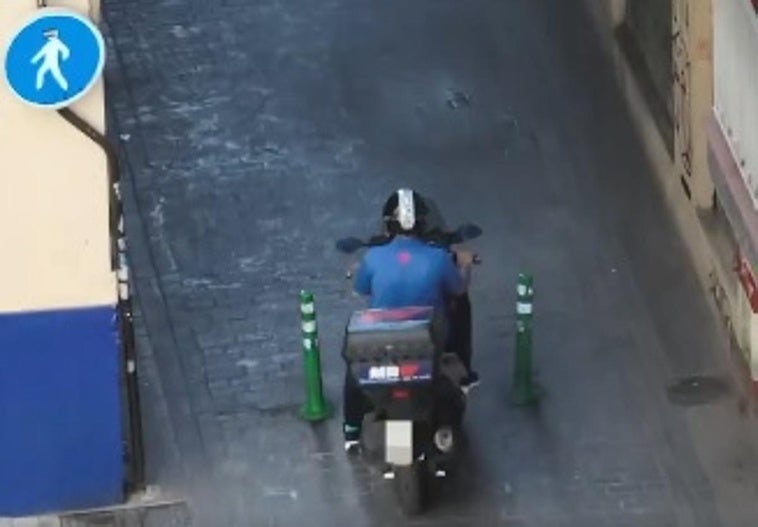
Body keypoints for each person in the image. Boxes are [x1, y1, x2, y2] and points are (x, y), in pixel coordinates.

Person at [343, 188, 479, 450]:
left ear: (387, 226)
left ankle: (351, 432)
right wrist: (465, 265)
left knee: (352, 367)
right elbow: (459, 289)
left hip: (380, 344)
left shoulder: (372, 258)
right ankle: (464, 380)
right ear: (423, 224)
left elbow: (361, 289)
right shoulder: (439, 258)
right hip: (429, 340)